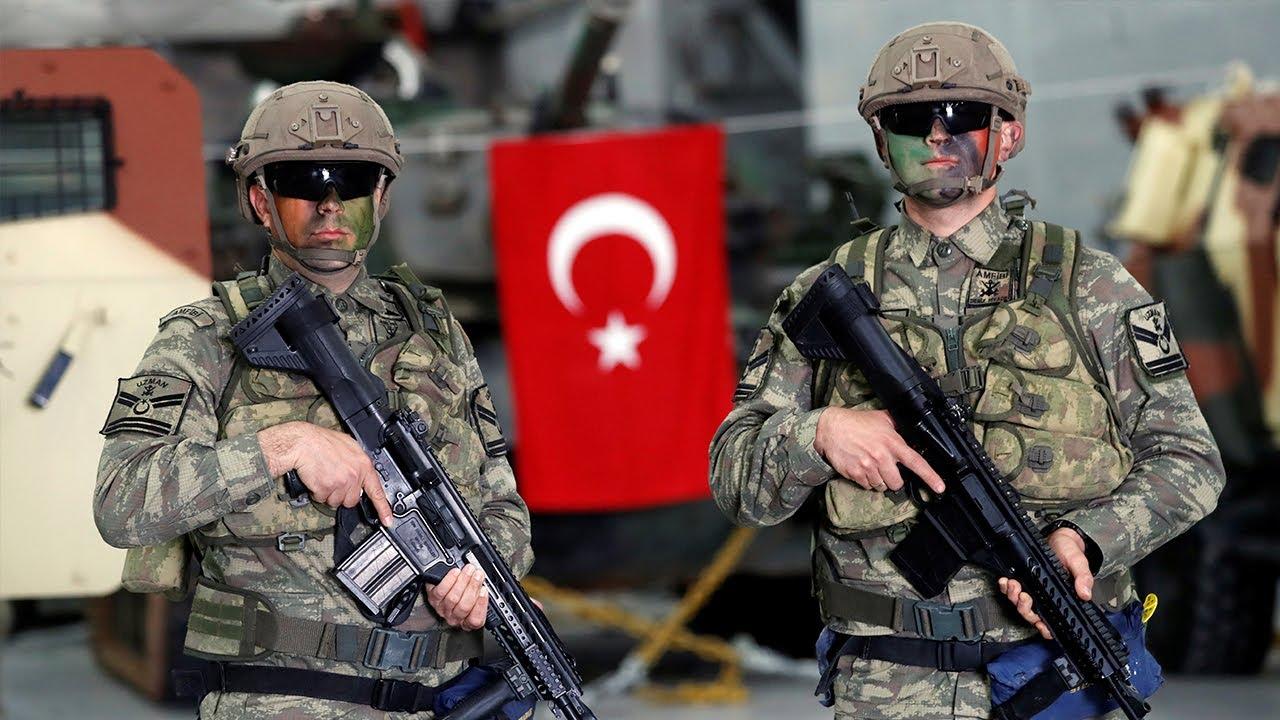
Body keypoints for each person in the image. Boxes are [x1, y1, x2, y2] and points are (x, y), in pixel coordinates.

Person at [708, 22, 1224, 720]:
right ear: (881, 140)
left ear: (1009, 134)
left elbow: (1189, 461)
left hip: (1054, 676)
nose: (937, 137)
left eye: (960, 116)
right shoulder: (825, 294)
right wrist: (820, 433)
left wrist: (1087, 540)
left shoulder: (1091, 287)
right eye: (910, 120)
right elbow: (735, 479)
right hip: (887, 685)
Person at [94, 81, 532, 718]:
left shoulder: (436, 335)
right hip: (285, 701)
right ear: (260, 201)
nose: (330, 204)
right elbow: (121, 503)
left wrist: (481, 578)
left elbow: (499, 500)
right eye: (304, 182)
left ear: (380, 197)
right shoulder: (203, 337)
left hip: (437, 698)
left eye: (350, 182)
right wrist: (280, 448)